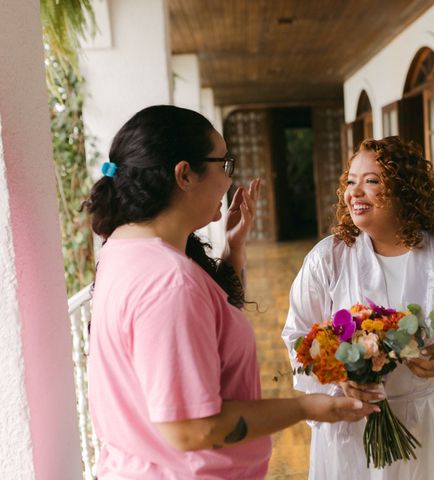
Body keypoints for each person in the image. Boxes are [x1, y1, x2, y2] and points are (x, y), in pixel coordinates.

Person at [84, 105, 377, 479]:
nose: (228, 180)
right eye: (224, 164)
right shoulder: (169, 281)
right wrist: (307, 407)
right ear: (185, 174)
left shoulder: (123, 249)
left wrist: (233, 249)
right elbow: (193, 429)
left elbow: (209, 319)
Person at [282, 136, 434, 479]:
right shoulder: (327, 259)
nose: (354, 192)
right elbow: (300, 337)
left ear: (405, 189)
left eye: (372, 181)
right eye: (350, 181)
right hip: (355, 422)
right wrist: (343, 378)